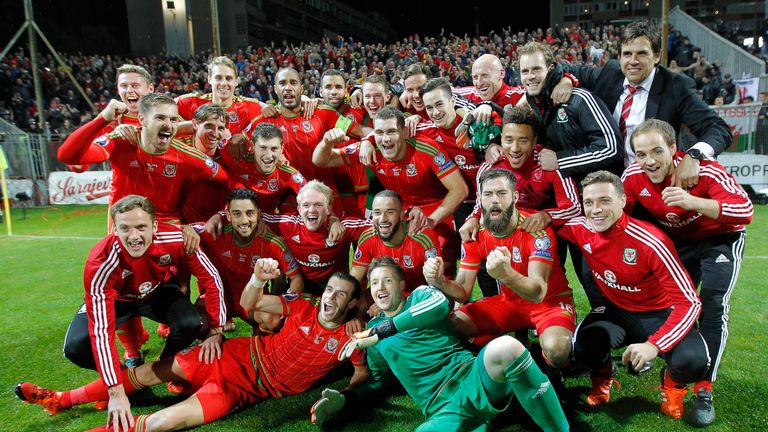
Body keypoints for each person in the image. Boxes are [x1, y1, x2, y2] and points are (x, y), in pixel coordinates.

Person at [17, 261, 367, 432]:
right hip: (228, 356)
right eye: (330, 290)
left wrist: (344, 396)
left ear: (352, 304)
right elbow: (250, 303)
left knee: (157, 424)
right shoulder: (301, 306)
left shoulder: (352, 338)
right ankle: (60, 399)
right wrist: (258, 279)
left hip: (241, 391)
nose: (330, 298)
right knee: (142, 375)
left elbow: (362, 375)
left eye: (341, 295)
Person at [310, 257, 568, 432]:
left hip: (472, 378)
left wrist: (384, 329)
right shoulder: (373, 335)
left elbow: (440, 306)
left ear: (401, 285)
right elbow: (379, 383)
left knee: (507, 348)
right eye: (375, 282)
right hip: (443, 409)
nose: (381, 287)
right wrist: (345, 400)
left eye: (388, 280)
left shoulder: (421, 296)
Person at [622, 119, 753, 426]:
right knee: (673, 303)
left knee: (712, 305)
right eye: (641, 154)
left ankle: (703, 390)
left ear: (673, 148)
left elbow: (745, 210)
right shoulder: (632, 178)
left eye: (656, 151)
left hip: (721, 239)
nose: (649, 161)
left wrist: (694, 201)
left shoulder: (703, 171)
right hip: (681, 243)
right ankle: (676, 362)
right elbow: (620, 214)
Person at [56, 195, 227, 427]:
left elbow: (212, 279)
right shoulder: (100, 263)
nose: (134, 237)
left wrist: (217, 327)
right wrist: (116, 391)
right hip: (117, 299)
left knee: (191, 322)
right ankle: (125, 377)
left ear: (154, 226)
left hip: (157, 292)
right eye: (125, 228)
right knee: (75, 347)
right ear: (114, 229)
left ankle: (166, 366)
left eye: (141, 227)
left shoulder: (176, 237)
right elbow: (101, 331)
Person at [557, 171, 709, 422]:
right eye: (589, 202)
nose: (595, 210)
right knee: (583, 348)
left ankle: (672, 384)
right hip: (616, 311)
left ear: (622, 201)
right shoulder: (580, 228)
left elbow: (690, 302)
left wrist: (654, 345)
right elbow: (543, 220)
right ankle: (604, 374)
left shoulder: (651, 241)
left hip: (659, 314)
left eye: (605, 201)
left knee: (693, 360)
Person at [424, 169, 575, 370]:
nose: (494, 200)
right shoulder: (475, 233)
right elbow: (462, 292)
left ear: (515, 197)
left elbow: (538, 293)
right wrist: (440, 281)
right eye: (488, 194)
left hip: (550, 304)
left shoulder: (536, 230)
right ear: (480, 199)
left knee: (558, 350)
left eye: (502, 193)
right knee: (453, 325)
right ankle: (490, 346)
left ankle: (552, 369)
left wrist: (505, 275)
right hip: (510, 303)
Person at [563, 20, 732, 187]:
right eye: (627, 54)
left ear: (657, 56)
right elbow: (564, 69)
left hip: (653, 187)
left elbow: (718, 128)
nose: (633, 61)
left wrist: (694, 155)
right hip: (608, 185)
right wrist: (567, 80)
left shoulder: (676, 86)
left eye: (642, 53)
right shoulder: (609, 74)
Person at [313, 106, 468, 271]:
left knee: (441, 271)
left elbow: (460, 189)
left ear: (403, 132)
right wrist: (326, 143)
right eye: (379, 132)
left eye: (391, 131)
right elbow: (321, 160)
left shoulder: (426, 148)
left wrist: (432, 220)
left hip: (437, 210)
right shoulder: (370, 149)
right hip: (401, 212)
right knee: (397, 270)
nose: (385, 139)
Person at [459, 107, 581, 298]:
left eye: (523, 140)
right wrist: (473, 217)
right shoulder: (490, 166)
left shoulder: (549, 162)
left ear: (534, 142)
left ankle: (550, 314)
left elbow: (574, 207)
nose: (514, 148)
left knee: (544, 283)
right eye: (509, 140)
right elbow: (481, 203)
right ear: (500, 140)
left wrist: (547, 215)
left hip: (542, 235)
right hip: (507, 233)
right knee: (507, 284)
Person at [57, 93, 229, 224]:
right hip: (125, 228)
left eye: (173, 120)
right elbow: (67, 156)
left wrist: (220, 214)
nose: (168, 125)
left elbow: (225, 179)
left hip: (166, 229)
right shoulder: (120, 140)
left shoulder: (186, 155)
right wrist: (102, 119)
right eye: (160, 118)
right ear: (141, 119)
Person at [243, 67, 367, 215]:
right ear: (275, 89)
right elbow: (237, 146)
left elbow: (360, 131)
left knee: (337, 237)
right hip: (289, 202)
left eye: (293, 83)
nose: (288, 87)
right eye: (283, 83)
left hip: (327, 199)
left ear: (301, 88)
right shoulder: (265, 120)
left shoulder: (323, 113)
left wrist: (371, 140)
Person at [195, 188, 303, 332]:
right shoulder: (214, 232)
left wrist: (285, 304)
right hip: (219, 299)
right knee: (196, 323)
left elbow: (296, 278)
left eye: (250, 213)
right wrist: (187, 230)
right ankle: (215, 342)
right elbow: (180, 231)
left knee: (274, 320)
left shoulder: (273, 242)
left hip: (254, 302)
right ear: (228, 215)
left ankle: (260, 335)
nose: (244, 220)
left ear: (258, 214)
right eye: (237, 214)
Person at [518, 41, 624, 182]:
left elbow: (612, 149)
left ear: (550, 69)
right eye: (525, 71)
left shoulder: (580, 99)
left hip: (597, 192)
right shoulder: (535, 105)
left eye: (536, 69)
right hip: (566, 193)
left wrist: (561, 161)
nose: (530, 76)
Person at [259, 180, 371, 296]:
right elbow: (253, 216)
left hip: (335, 287)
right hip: (301, 283)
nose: (311, 210)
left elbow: (380, 226)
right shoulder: (288, 224)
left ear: (328, 208)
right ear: (299, 210)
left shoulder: (344, 227)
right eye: (306, 205)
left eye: (318, 205)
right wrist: (258, 220)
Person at [350, 189, 440, 294]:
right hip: (390, 292)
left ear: (402, 215)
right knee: (358, 303)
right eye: (377, 212)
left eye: (390, 212)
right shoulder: (368, 237)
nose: (383, 219)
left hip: (422, 295)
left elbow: (437, 287)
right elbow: (353, 281)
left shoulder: (422, 236)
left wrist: (393, 305)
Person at [220, 122, 307, 215]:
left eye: (274, 149)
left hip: (267, 223)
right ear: (252, 147)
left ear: (282, 148)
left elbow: (312, 194)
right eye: (263, 148)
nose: (268, 156)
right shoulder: (236, 157)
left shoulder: (289, 174)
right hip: (232, 218)